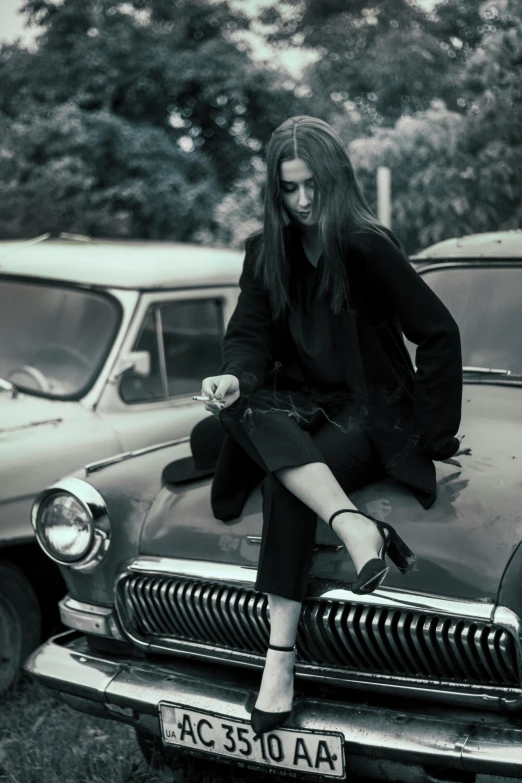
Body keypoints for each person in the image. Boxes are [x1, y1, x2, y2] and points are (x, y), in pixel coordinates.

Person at [199, 115, 463, 738]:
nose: (303, 200)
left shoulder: (367, 245)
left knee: (284, 483)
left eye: (312, 184)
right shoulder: (266, 251)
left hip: (370, 409)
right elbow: (250, 335)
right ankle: (352, 524)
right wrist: (235, 377)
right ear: (275, 191)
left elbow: (438, 332)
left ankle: (278, 660)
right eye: (288, 188)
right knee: (239, 407)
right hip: (300, 403)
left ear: (336, 178)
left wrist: (435, 433)